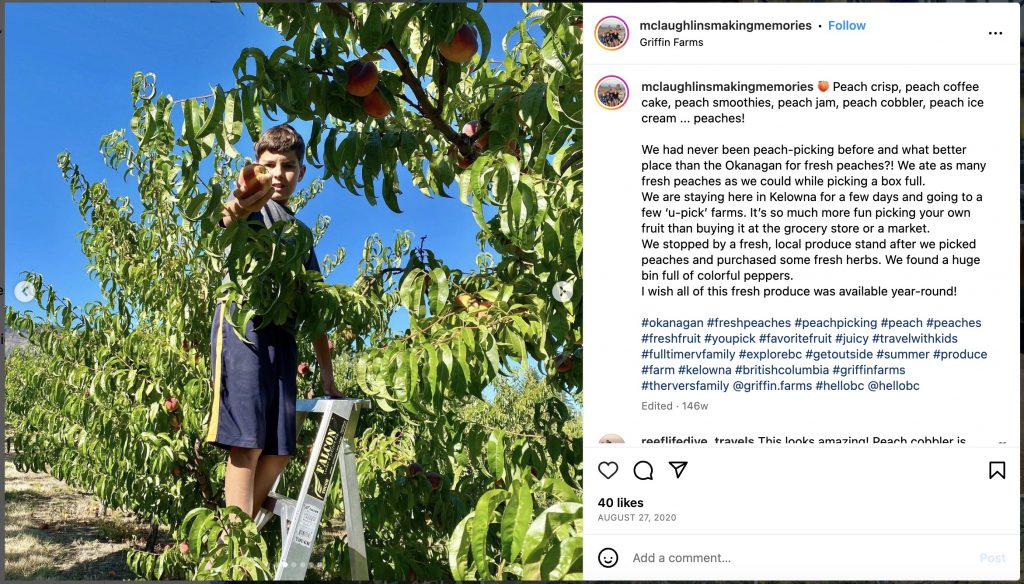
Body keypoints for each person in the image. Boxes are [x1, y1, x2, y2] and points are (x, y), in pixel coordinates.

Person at [204, 123, 344, 519]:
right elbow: (227, 218)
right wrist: (238, 205)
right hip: (241, 330)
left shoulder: (300, 234)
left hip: (282, 337)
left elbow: (315, 309)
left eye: (288, 166)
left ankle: (237, 532)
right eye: (270, 165)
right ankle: (234, 551)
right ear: (256, 167)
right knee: (246, 443)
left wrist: (327, 376)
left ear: (301, 172)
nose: (279, 174)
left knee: (281, 450)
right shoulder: (253, 205)